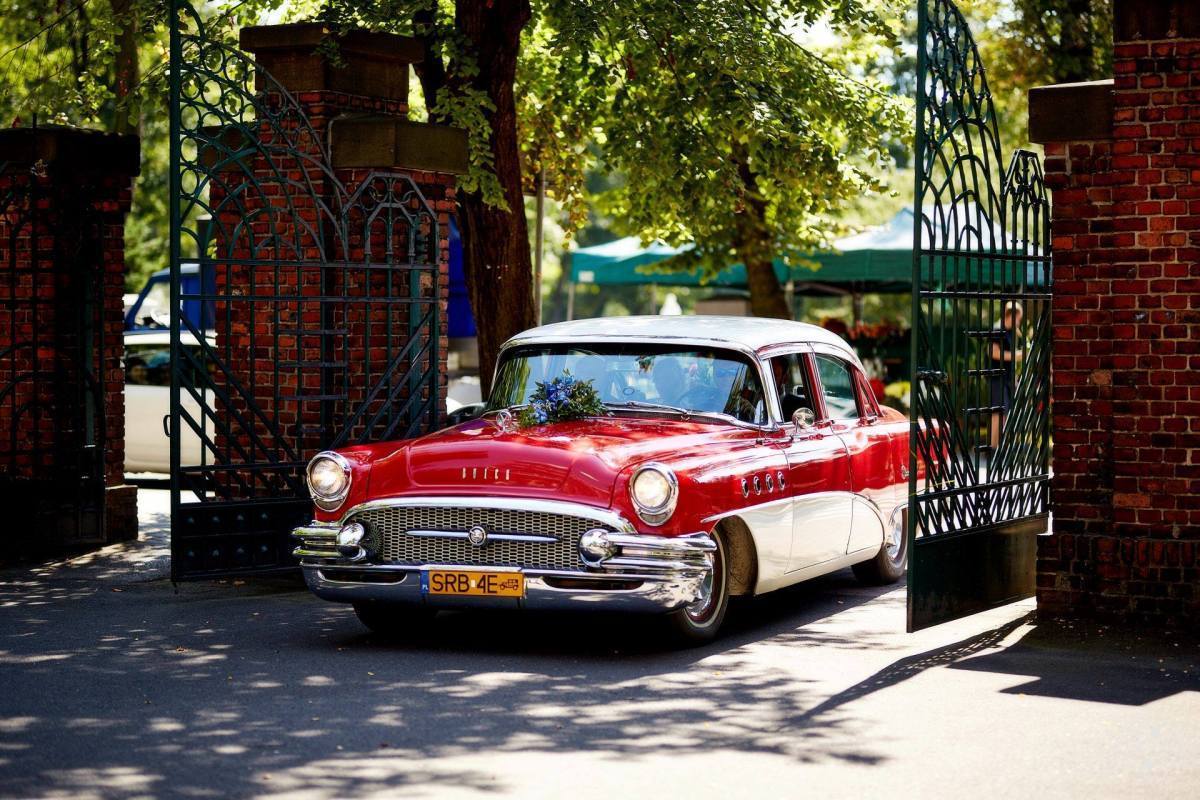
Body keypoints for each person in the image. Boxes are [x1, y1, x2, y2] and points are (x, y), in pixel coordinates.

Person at [989, 301, 1023, 451]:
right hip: (997, 376)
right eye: (1018, 318)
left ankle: (1001, 447)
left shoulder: (1010, 332)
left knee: (1006, 411)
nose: (1019, 322)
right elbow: (993, 352)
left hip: (1007, 377)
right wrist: (1017, 355)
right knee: (997, 411)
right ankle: (993, 448)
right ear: (1011, 315)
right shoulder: (997, 329)